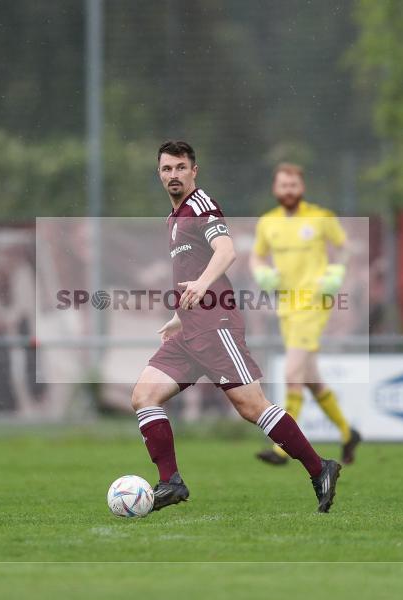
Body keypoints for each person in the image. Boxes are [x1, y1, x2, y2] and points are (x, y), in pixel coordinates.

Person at [131, 141, 342, 513]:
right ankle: (171, 482)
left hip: (216, 326)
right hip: (190, 329)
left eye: (181, 167)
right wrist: (181, 315)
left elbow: (226, 251)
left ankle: (319, 467)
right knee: (144, 396)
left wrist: (200, 286)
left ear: (194, 171)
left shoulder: (201, 207)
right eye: (167, 169)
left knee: (251, 406)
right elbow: (194, 271)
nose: (174, 175)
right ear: (159, 174)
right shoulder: (175, 218)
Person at [250, 163, 362, 466]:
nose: (288, 190)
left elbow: (346, 248)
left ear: (302, 188)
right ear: (275, 189)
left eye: (293, 185)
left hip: (314, 302)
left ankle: (283, 448)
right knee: (311, 378)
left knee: (291, 373)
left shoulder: (321, 218)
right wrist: (262, 273)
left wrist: (336, 273)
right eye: (283, 185)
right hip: (286, 305)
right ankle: (347, 432)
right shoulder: (267, 223)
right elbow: (256, 255)